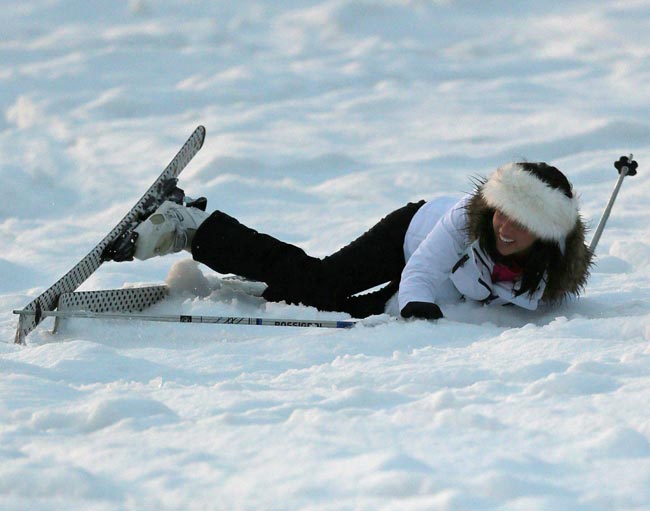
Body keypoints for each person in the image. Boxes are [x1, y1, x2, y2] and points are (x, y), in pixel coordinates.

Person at [129, 162, 593, 320]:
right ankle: (193, 226)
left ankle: (262, 287)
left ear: (546, 236)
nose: (505, 228)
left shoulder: (547, 276)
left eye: (522, 223)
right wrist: (414, 303)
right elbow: (422, 272)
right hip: (408, 235)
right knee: (323, 282)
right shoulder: (465, 220)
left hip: (443, 287)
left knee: (340, 310)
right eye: (502, 212)